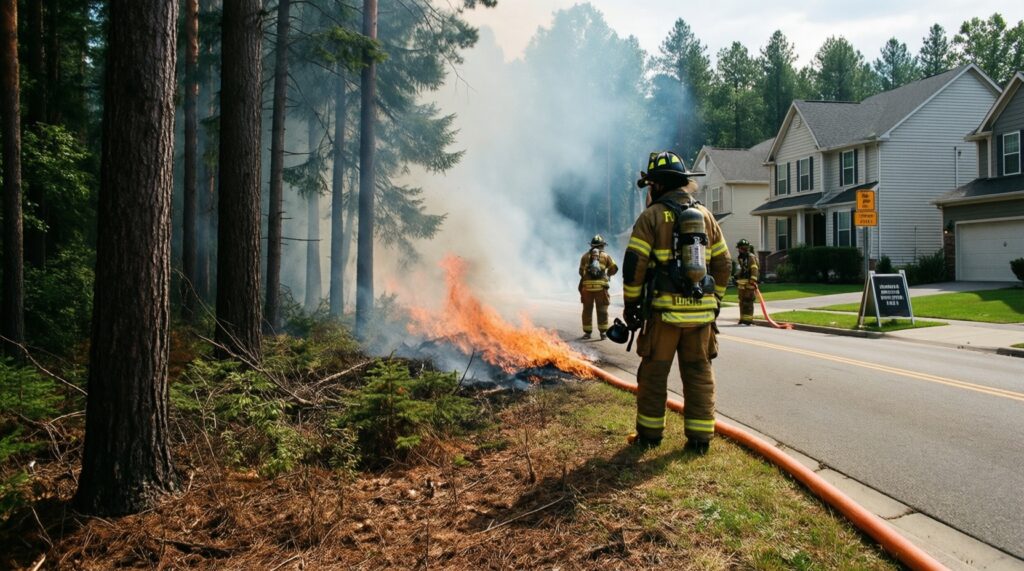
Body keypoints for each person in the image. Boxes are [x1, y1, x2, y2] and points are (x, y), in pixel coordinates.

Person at [621, 151, 731, 454]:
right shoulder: (707, 216)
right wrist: (716, 300)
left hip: (664, 314)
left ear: (657, 185)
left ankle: (650, 437)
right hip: (701, 317)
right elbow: (724, 264)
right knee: (699, 373)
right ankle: (699, 440)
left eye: (651, 185)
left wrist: (632, 305)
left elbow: (635, 266)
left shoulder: (652, 217)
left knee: (654, 374)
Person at [578, 234, 618, 339]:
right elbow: (614, 268)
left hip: (587, 289)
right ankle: (603, 333)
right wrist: (608, 274)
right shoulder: (606, 256)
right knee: (602, 310)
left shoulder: (585, 256)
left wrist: (587, 279)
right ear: (602, 245)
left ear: (592, 245)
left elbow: (580, 271)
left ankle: (587, 333)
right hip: (601, 289)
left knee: (587, 310)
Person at [734, 239, 759, 325]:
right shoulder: (741, 257)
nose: (738, 250)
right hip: (742, 283)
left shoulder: (751, 257)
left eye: (739, 249)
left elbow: (754, 268)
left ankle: (748, 320)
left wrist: (752, 280)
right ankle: (742, 319)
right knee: (741, 301)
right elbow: (742, 269)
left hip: (749, 283)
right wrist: (736, 277)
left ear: (744, 248)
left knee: (748, 302)